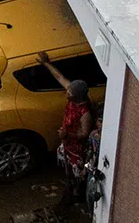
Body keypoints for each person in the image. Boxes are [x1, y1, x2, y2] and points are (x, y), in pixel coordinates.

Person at [37, 51, 94, 204]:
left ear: (77, 96)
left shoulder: (85, 112)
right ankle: (71, 184)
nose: (66, 93)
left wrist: (67, 135)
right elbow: (59, 77)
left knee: (77, 172)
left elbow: (84, 133)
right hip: (67, 142)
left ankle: (77, 191)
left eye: (69, 92)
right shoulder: (74, 96)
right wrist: (46, 63)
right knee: (68, 167)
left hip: (76, 148)